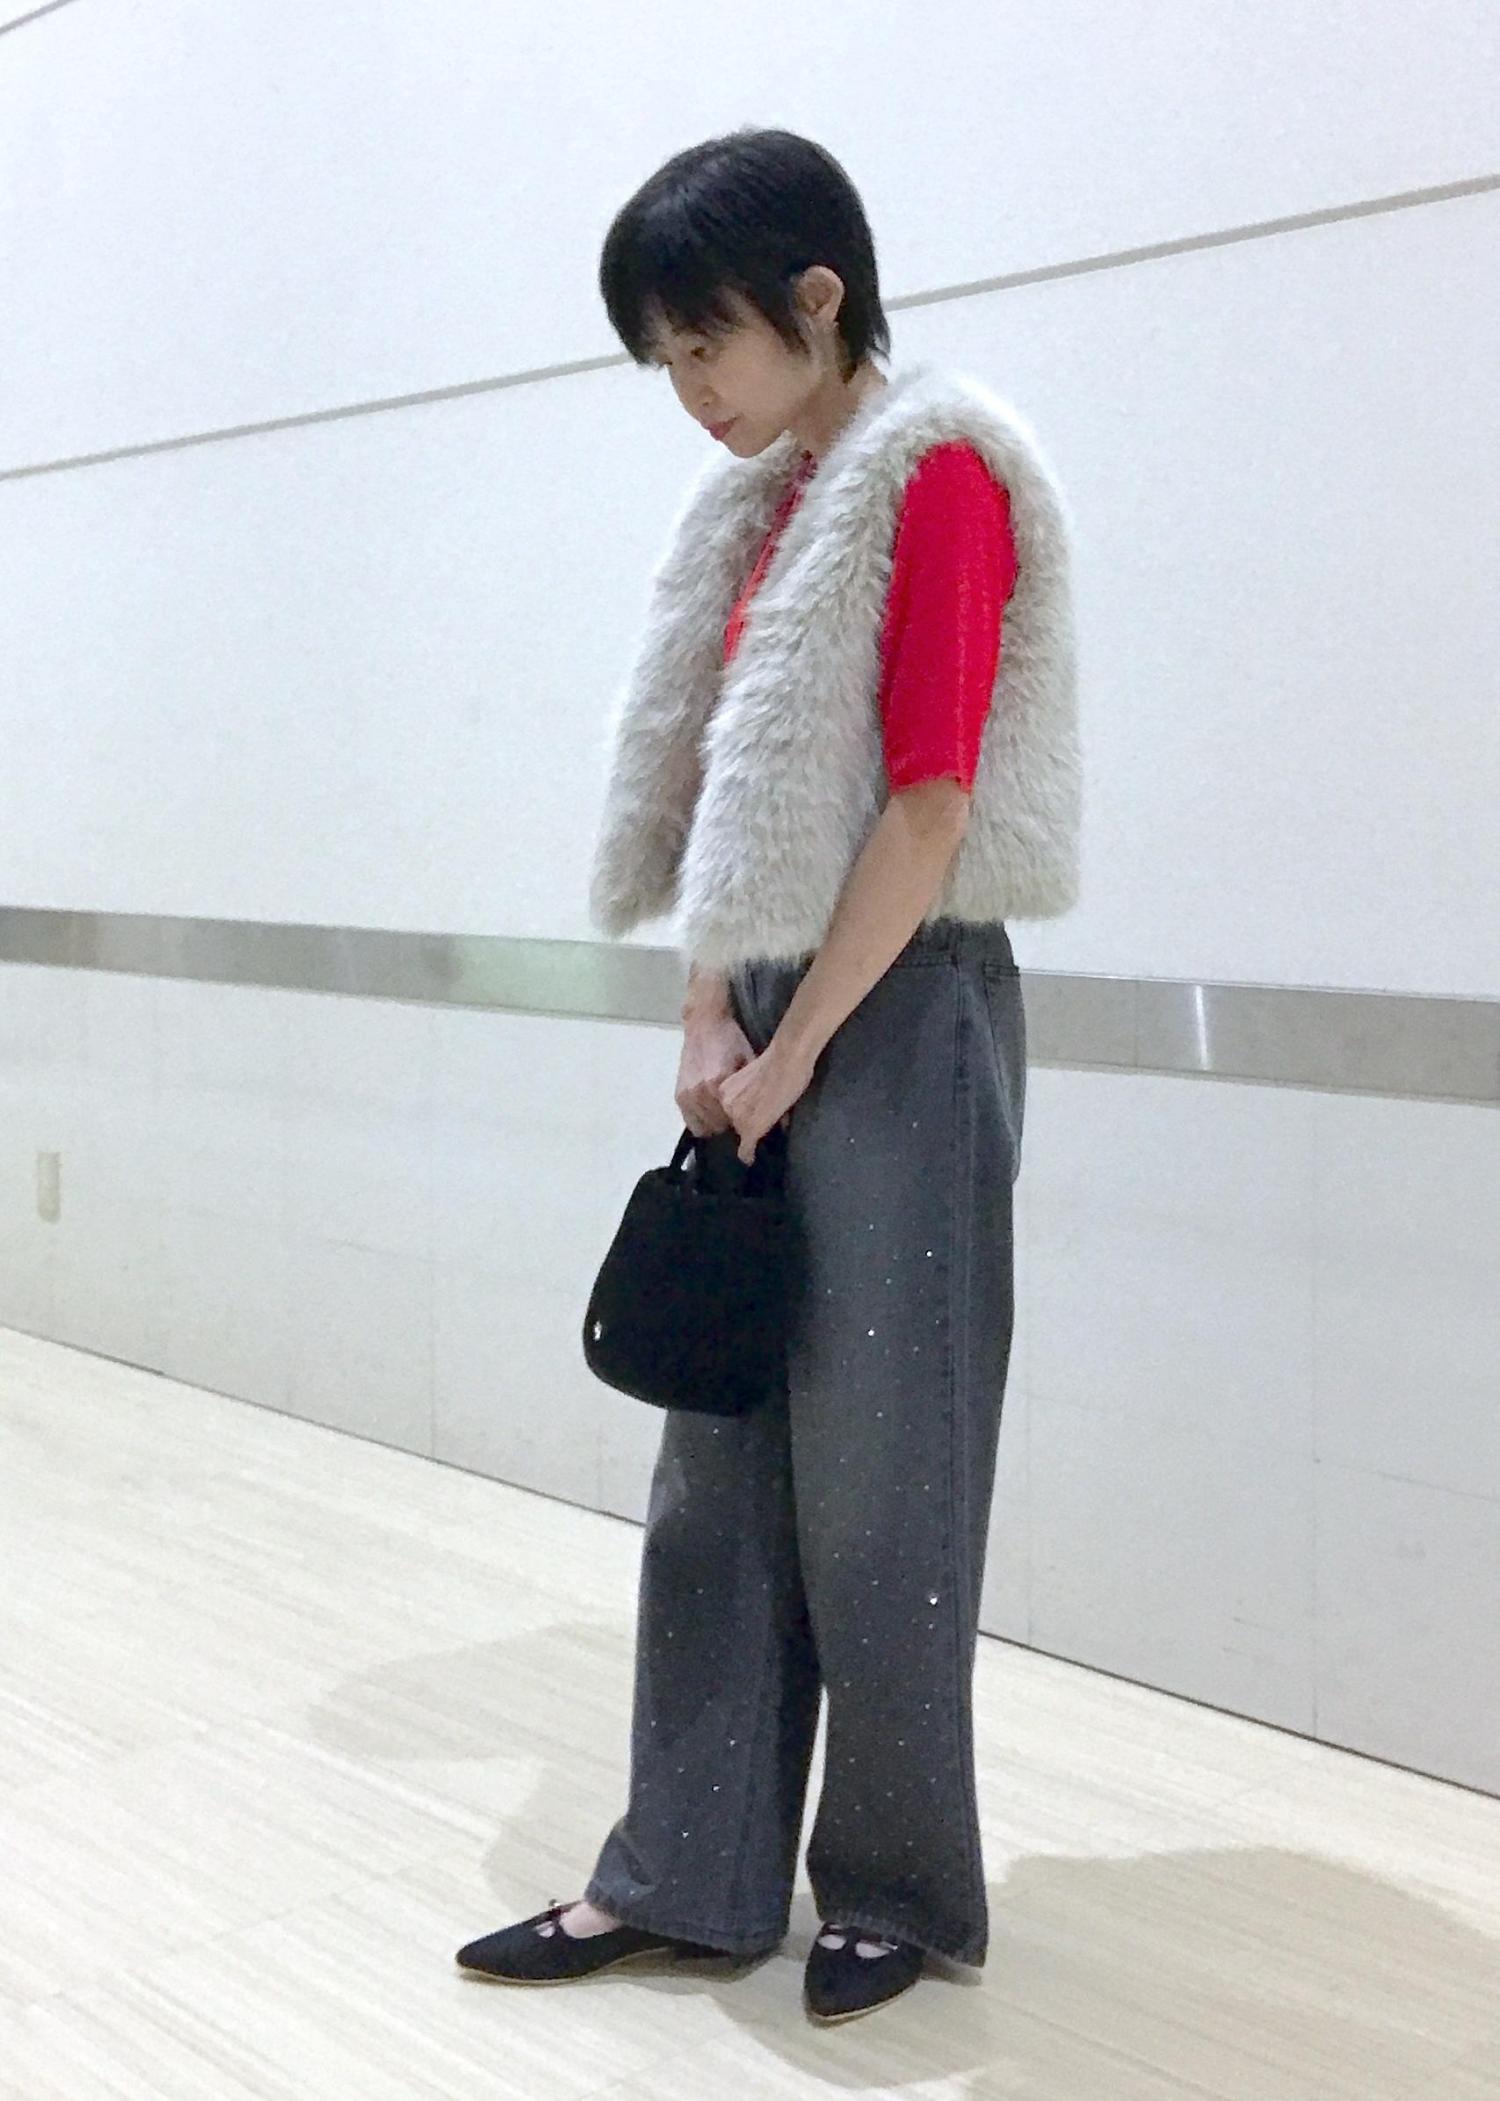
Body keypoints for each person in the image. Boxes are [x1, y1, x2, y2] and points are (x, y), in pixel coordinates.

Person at [455, 125, 1081, 2025]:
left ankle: (895, 1886)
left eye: (705, 341)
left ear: (820, 297)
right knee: (716, 1454)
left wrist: (803, 1043)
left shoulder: (939, 473)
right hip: (780, 1003)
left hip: (906, 1003)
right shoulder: (762, 509)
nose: (692, 390)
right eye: (666, 357)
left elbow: (928, 803)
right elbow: (742, 794)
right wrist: (708, 1009)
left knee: (887, 1470)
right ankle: (688, 1870)